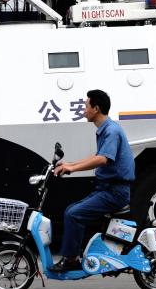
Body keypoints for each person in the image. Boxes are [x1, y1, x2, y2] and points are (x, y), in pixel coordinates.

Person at [48, 89, 135, 272]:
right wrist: (70, 164)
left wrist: (71, 168)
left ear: (96, 108)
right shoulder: (106, 129)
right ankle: (74, 256)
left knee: (74, 214)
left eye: (86, 106)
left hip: (114, 192)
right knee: (71, 210)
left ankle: (71, 259)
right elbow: (98, 156)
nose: (83, 110)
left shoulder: (111, 131)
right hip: (107, 189)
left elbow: (102, 159)